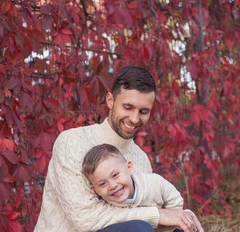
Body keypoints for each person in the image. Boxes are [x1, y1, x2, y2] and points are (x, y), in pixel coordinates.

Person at [34, 66, 204, 232]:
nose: (134, 118)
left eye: (143, 111)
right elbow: (86, 218)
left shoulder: (140, 159)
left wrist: (182, 217)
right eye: (128, 107)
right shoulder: (71, 142)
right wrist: (157, 215)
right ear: (110, 101)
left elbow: (153, 217)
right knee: (138, 228)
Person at [82, 143, 197, 232]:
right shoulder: (105, 205)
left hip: (163, 228)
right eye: (102, 184)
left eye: (115, 175)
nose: (112, 186)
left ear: (129, 168)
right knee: (140, 228)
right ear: (96, 191)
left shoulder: (154, 183)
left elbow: (175, 204)